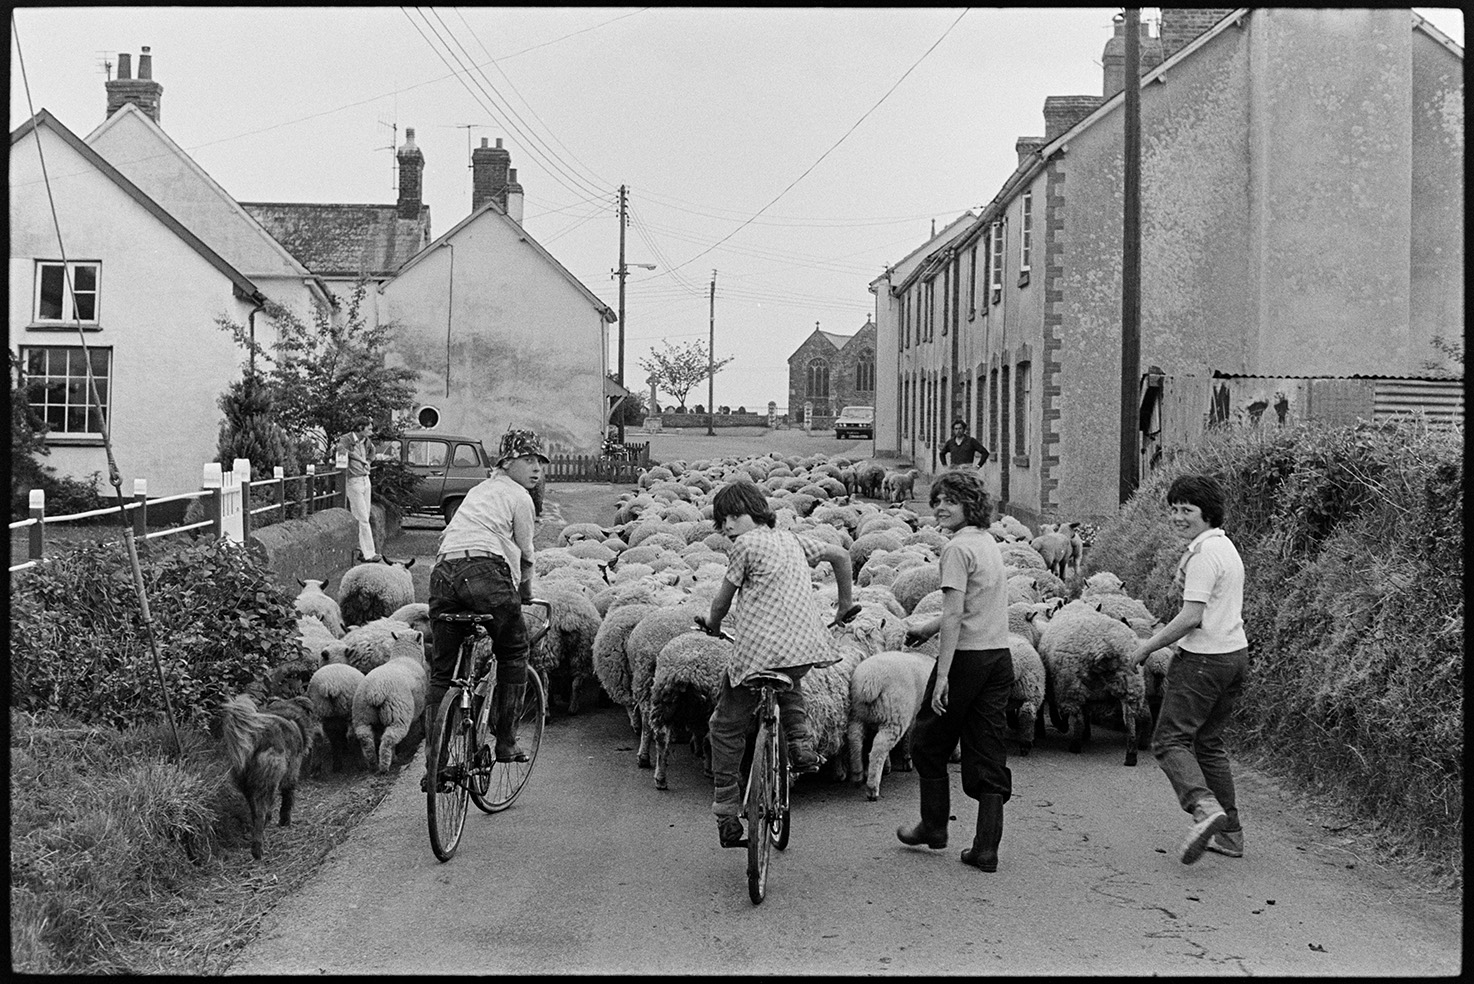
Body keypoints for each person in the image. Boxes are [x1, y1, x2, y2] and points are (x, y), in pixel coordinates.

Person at [698, 480, 855, 849]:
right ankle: (800, 744)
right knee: (789, 680)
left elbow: (722, 600)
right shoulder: (793, 540)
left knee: (725, 726)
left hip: (757, 652)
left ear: (746, 512)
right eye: (722, 523)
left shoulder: (745, 546)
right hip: (804, 647)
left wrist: (714, 624)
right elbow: (841, 556)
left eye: (729, 519)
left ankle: (725, 809)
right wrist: (845, 605)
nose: (726, 529)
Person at [896, 470, 1013, 871]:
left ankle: (933, 826)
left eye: (951, 501)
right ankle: (986, 847)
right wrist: (926, 627)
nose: (941, 507)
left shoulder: (956, 550)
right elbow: (979, 604)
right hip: (998, 656)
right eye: (938, 500)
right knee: (987, 747)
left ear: (970, 505)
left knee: (928, 742)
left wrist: (942, 675)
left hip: (966, 659)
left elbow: (954, 613)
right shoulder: (987, 542)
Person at [1131, 474, 1248, 864]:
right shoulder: (1225, 547)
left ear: (1207, 514)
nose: (1179, 517)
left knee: (1169, 741)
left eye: (1188, 511)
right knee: (1209, 744)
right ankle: (1230, 835)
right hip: (1234, 655)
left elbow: (1191, 617)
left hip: (1202, 660)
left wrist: (1147, 646)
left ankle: (1203, 807)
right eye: (1175, 509)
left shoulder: (1202, 555)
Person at [422, 427, 548, 790]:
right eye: (527, 460)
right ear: (506, 463)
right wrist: (524, 594)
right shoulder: (519, 496)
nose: (535, 468)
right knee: (513, 649)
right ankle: (506, 740)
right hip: (485, 573)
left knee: (441, 674)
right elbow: (526, 555)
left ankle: (435, 765)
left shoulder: (479, 491)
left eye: (539, 461)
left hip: (443, 572)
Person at [336, 418, 378, 561]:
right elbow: (342, 450)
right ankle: (369, 554)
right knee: (362, 518)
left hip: (365, 479)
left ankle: (361, 549)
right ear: (360, 428)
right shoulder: (346, 439)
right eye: (369, 429)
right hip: (353, 480)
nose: (371, 432)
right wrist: (362, 460)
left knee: (365, 515)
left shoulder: (366, 441)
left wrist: (369, 462)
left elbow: (373, 452)